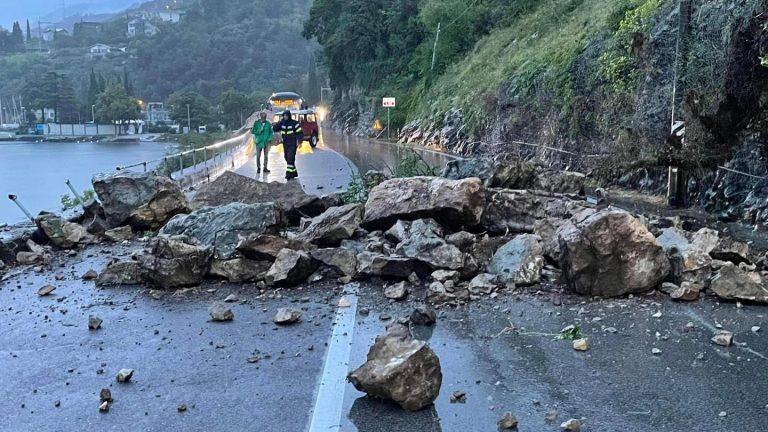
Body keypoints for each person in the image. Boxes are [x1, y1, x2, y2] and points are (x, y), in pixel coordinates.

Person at [273, 110, 302, 180]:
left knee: (290, 157)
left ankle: (288, 174)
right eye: (284, 116)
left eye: (286, 116)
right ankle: (294, 172)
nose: (285, 117)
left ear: (289, 116)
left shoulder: (294, 123)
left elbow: (300, 133)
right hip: (285, 143)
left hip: (292, 143)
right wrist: (279, 122)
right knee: (286, 157)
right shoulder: (282, 123)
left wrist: (300, 141)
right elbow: (275, 129)